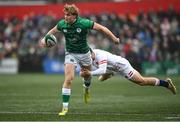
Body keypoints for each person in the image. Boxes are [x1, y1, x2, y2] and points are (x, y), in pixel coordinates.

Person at [39, 4, 119, 116]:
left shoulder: (84, 23)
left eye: (68, 15)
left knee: (87, 76)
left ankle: (86, 89)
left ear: (74, 16)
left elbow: (101, 28)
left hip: (85, 54)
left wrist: (114, 38)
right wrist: (44, 39)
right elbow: (52, 31)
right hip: (70, 54)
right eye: (65, 15)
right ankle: (65, 108)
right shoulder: (62, 24)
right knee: (69, 79)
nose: (65, 17)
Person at [80, 49, 177, 95]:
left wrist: (89, 73)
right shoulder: (90, 57)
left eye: (88, 56)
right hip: (112, 68)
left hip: (122, 66)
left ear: (92, 52)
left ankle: (166, 84)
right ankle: (110, 73)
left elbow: (101, 69)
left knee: (142, 82)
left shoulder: (99, 55)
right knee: (101, 78)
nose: (88, 59)